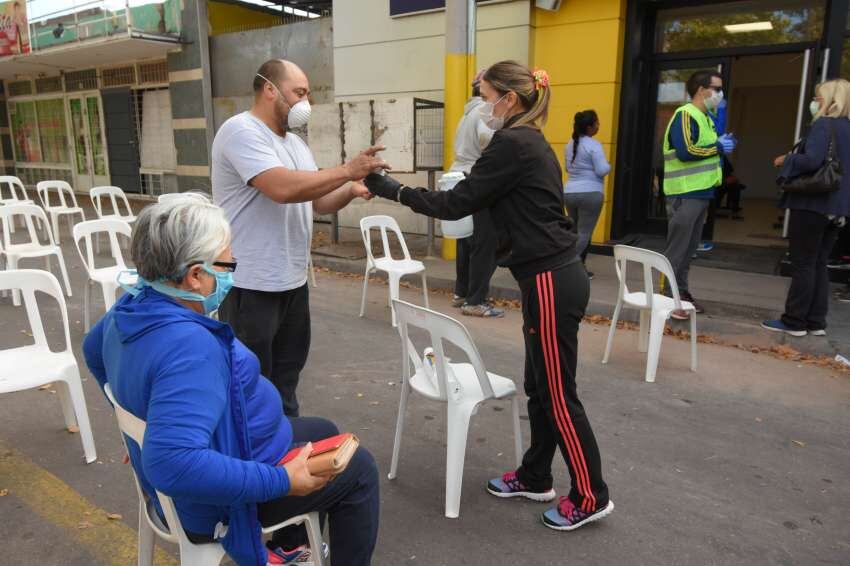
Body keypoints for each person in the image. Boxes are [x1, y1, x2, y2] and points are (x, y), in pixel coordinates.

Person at [363, 60, 613, 531]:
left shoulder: (514, 143)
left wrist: (392, 190)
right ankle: (536, 474)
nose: (479, 104)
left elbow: (457, 202)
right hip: (548, 275)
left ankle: (590, 494)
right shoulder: (527, 141)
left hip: (550, 278)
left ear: (509, 100)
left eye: (483, 94)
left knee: (558, 395)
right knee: (540, 387)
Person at [83, 198, 380, 566]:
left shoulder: (131, 305)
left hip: (231, 445)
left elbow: (92, 350)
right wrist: (282, 481)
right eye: (226, 263)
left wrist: (133, 424)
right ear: (194, 275)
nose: (231, 271)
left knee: (324, 430)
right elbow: (174, 463)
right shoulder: (191, 348)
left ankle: (289, 546)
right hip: (220, 500)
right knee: (360, 469)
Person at [212, 59, 386, 417]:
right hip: (250, 283)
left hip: (291, 282)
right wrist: (346, 170)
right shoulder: (240, 131)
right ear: (270, 89)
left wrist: (351, 188)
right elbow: (280, 188)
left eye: (308, 94)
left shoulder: (295, 144)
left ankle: (285, 450)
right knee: (250, 382)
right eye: (300, 93)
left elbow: (318, 201)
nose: (306, 103)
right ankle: (251, 465)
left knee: (286, 378)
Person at [762, 79, 850, 337]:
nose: (815, 103)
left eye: (819, 99)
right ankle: (815, 322)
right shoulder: (847, 127)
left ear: (832, 101)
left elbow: (812, 160)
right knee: (819, 263)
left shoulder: (824, 125)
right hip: (837, 207)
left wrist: (786, 159)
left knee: (803, 263)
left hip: (813, 203)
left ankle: (794, 321)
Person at [661, 70, 736, 320]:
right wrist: (718, 147)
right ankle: (669, 299)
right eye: (717, 88)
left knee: (688, 248)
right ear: (702, 89)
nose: (720, 94)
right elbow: (685, 151)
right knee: (678, 249)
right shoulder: (685, 114)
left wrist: (719, 144)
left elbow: (702, 150)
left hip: (701, 192)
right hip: (685, 192)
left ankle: (681, 293)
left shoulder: (705, 118)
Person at [450, 70, 503, 318]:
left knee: (465, 239)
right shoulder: (484, 112)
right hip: (476, 177)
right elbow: (487, 139)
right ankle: (475, 300)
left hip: (459, 175)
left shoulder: (465, 114)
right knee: (485, 242)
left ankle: (462, 292)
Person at [564, 109, 610, 279]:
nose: (599, 126)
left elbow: (568, 169)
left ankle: (578, 268)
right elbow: (601, 170)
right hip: (590, 193)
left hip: (570, 193)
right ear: (590, 127)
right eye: (597, 123)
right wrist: (609, 165)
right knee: (584, 233)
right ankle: (566, 266)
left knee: (575, 232)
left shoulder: (570, 144)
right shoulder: (594, 145)